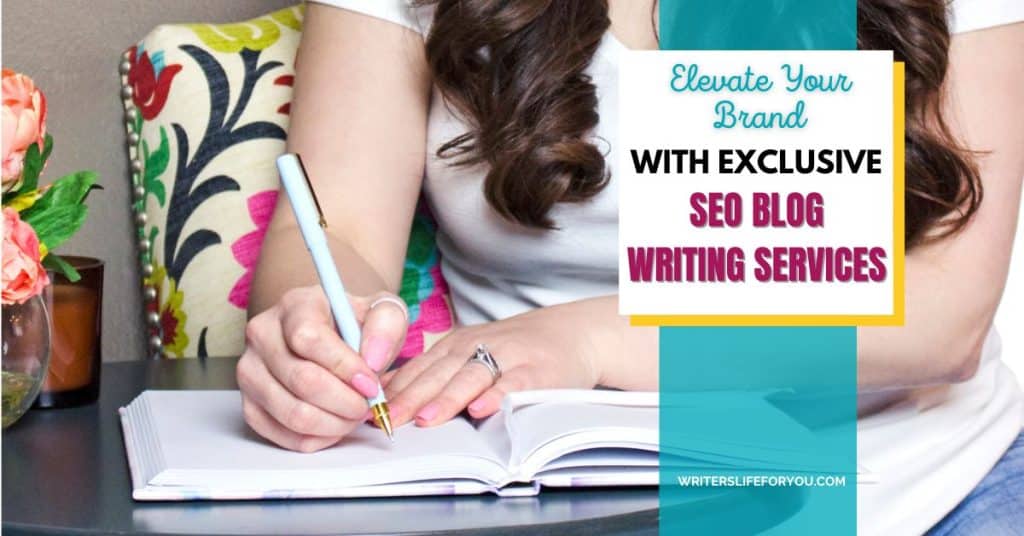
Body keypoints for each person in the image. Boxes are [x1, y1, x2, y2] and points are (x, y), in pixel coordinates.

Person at [239, 0, 1024, 533]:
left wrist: (587, 343)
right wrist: (311, 324)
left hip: (918, 489)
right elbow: (335, 225)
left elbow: (945, 316)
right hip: (542, 496)